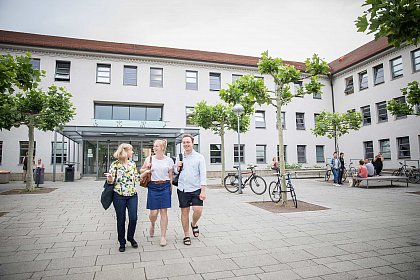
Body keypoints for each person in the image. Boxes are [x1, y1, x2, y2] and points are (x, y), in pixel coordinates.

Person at [105, 143, 140, 252]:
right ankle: (122, 242)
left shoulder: (132, 164)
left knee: (133, 218)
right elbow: (110, 181)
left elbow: (136, 178)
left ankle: (130, 237)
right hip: (119, 196)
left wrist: (146, 172)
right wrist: (110, 178)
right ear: (125, 151)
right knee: (121, 219)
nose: (132, 152)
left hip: (132, 195)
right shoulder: (115, 165)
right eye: (131, 150)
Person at [174, 134, 207, 246]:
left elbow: (203, 174)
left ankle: (194, 223)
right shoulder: (180, 156)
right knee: (184, 212)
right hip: (182, 189)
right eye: (184, 142)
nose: (186, 144)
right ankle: (186, 235)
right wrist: (177, 166)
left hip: (196, 188)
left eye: (188, 142)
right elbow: (176, 172)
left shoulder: (199, 157)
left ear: (192, 143)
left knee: (198, 210)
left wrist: (203, 190)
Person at [140, 139, 174, 247]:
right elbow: (141, 171)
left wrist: (170, 188)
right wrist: (147, 168)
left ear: (162, 148)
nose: (154, 148)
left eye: (157, 146)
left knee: (164, 211)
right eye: (154, 146)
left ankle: (163, 236)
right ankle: (152, 223)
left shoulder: (169, 160)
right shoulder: (149, 159)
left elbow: (170, 175)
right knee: (153, 213)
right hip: (153, 187)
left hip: (165, 186)